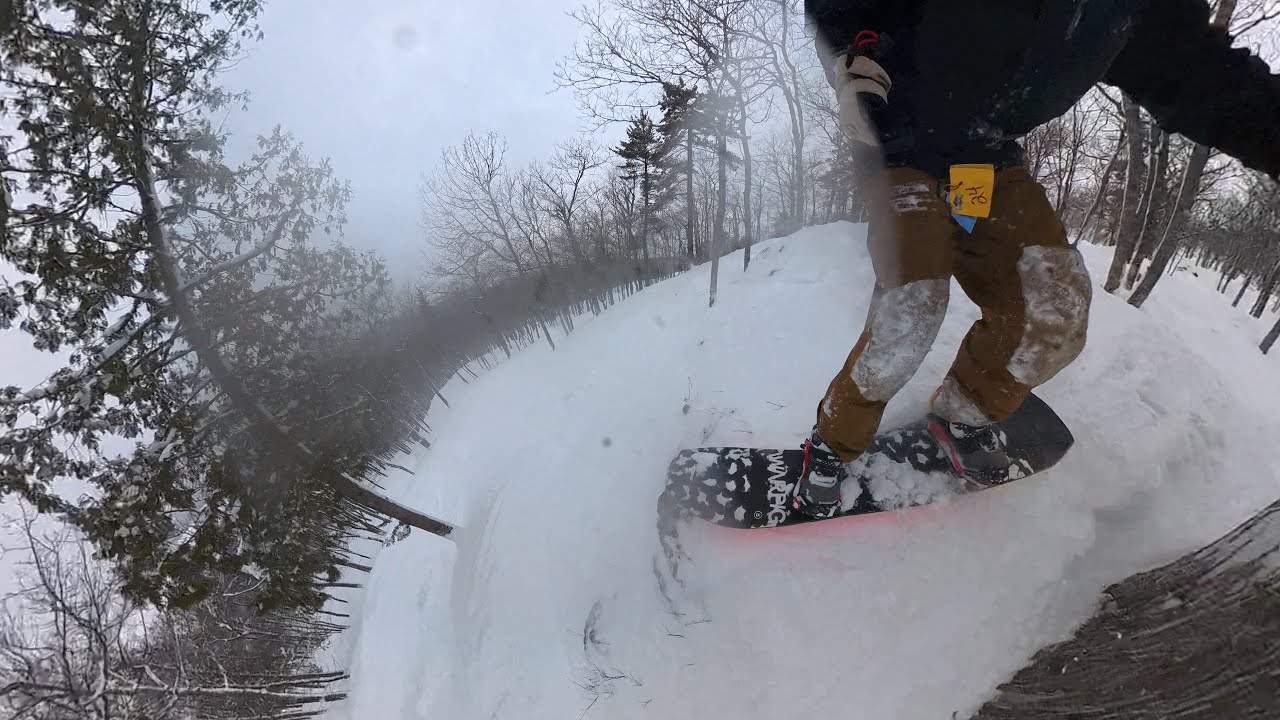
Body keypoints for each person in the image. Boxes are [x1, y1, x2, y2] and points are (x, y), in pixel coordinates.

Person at [794, 0, 1280, 518]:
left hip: (984, 161)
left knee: (1054, 307)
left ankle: (962, 416)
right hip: (897, 141)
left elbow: (1206, 78)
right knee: (912, 305)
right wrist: (854, 54)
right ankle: (833, 443)